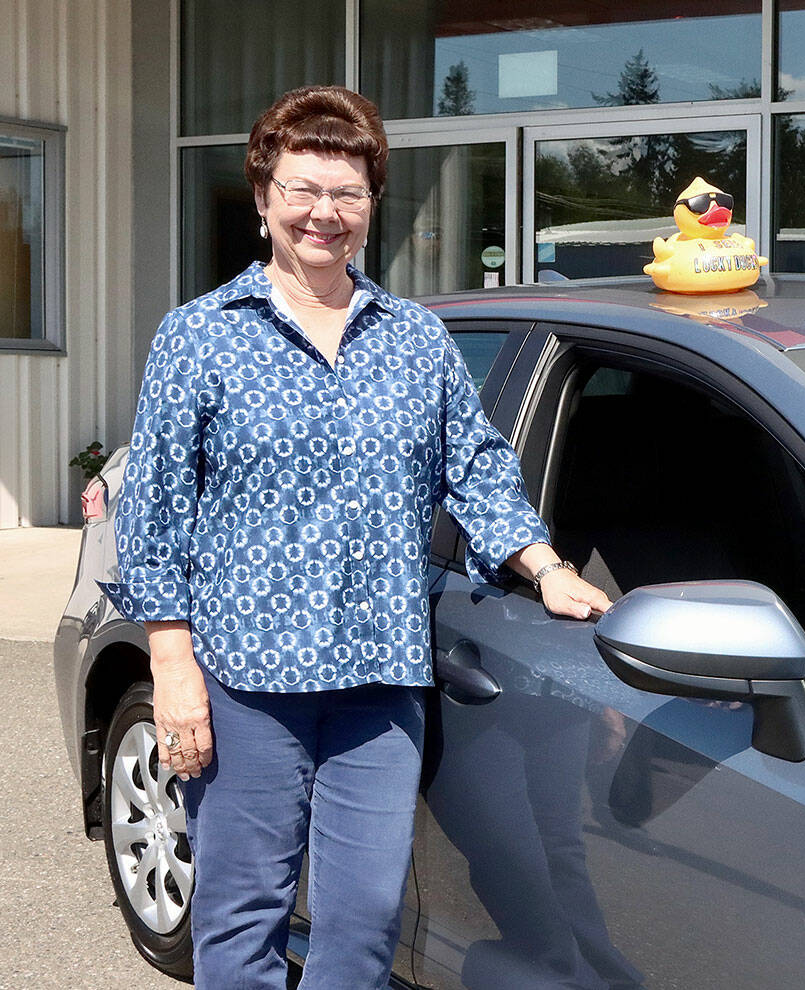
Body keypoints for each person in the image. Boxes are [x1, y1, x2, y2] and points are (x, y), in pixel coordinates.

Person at [100, 84, 610, 989]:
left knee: (365, 919)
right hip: (247, 681)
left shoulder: (414, 338)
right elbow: (156, 514)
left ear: (372, 205)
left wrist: (544, 565)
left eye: (347, 193)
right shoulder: (201, 336)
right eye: (301, 189)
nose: (322, 214)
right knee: (242, 912)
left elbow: (477, 465)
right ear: (263, 199)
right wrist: (173, 670)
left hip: (380, 681)